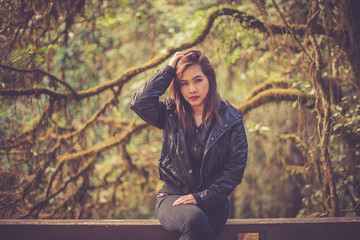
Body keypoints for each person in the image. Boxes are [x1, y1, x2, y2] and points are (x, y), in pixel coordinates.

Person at [130, 50, 248, 240]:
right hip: (173, 197)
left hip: (214, 201)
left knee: (198, 224)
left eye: (198, 80)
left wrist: (201, 197)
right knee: (193, 219)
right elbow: (139, 103)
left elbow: (234, 170)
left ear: (210, 79)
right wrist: (168, 70)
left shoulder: (231, 120)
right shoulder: (170, 113)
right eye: (184, 83)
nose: (192, 89)